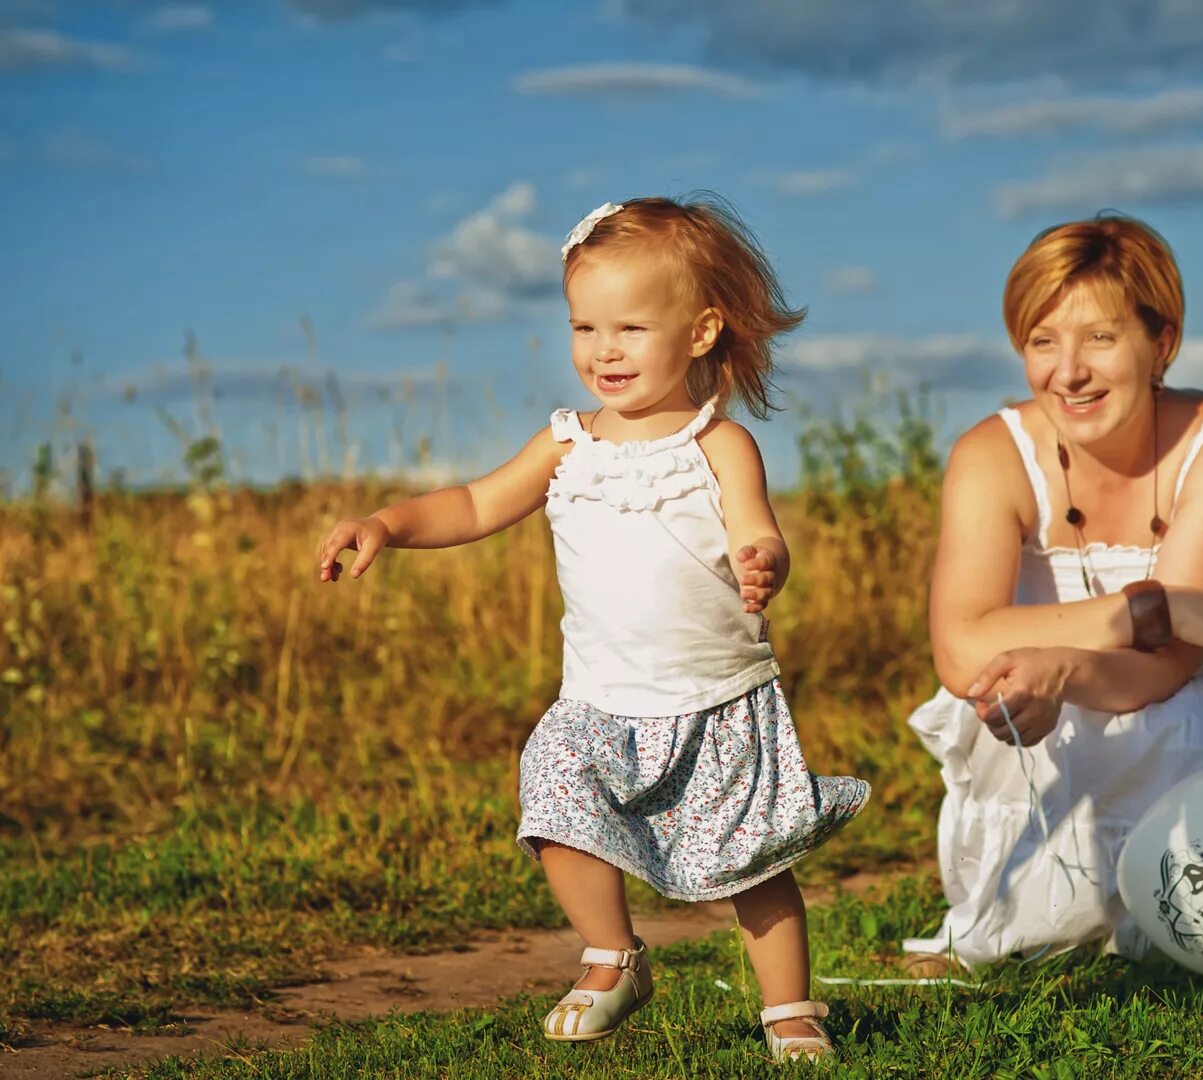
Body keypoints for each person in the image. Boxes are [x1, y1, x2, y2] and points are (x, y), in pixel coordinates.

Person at [315, 196, 867, 1062]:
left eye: (630, 328)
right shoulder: (566, 444)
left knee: (753, 865)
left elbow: (758, 530)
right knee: (556, 796)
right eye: (584, 327)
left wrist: (765, 561)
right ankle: (613, 956)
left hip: (715, 696)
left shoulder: (716, 444)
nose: (602, 350)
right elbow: (473, 502)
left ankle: (791, 1012)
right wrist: (386, 523)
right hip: (599, 699)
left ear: (699, 331)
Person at [902, 214, 1203, 969]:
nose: (1069, 372)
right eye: (1042, 342)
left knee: (1187, 715)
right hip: (1047, 719)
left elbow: (1164, 671)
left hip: (1178, 709)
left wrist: (1059, 666)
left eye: (1099, 338)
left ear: (1162, 344)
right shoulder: (990, 454)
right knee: (1006, 711)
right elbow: (961, 651)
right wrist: (1148, 609)